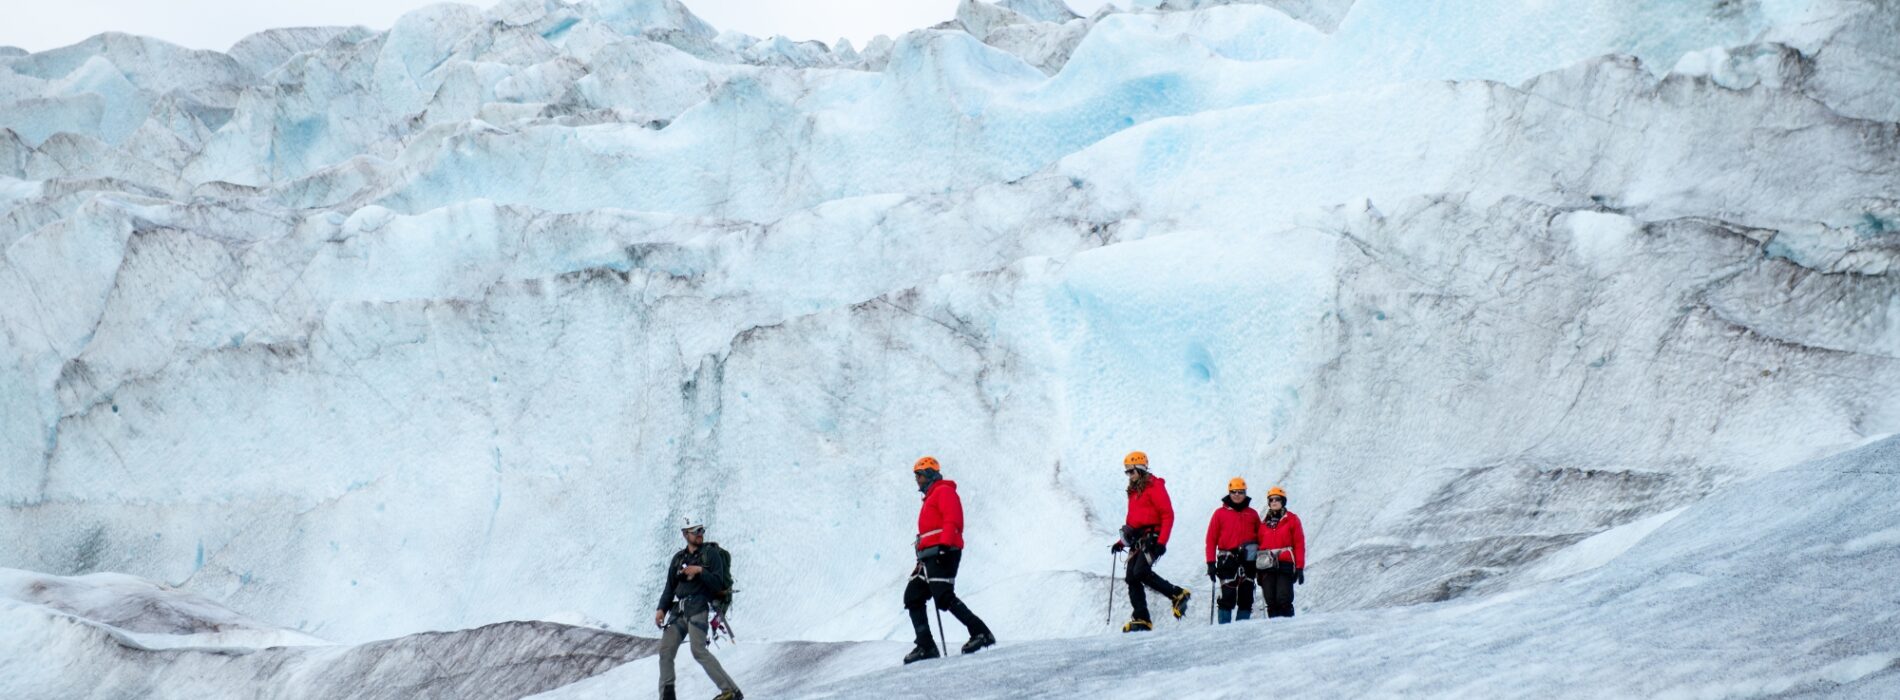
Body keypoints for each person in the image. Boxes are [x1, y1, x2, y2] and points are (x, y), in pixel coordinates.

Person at [903, 456, 997, 664]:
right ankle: (925, 645)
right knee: (913, 596)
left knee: (943, 596)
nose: (916, 480)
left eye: (919, 475)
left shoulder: (944, 491)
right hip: (929, 556)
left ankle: (981, 632)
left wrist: (945, 545)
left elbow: (953, 518)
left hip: (943, 552)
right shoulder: (931, 497)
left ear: (929, 474)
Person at [654, 520, 742, 700]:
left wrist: (700, 570)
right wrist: (661, 609)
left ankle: (730, 692)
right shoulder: (678, 559)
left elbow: (717, 583)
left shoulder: (711, 555)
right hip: (679, 612)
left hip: (699, 609)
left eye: (701, 529)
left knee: (698, 650)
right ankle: (667, 696)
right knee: (665, 650)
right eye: (696, 530)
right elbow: (670, 587)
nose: (700, 533)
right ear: (685, 534)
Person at [1110, 451, 1190, 632]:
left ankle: (1177, 594)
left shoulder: (1154, 487)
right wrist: (1121, 542)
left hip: (1152, 538)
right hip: (1138, 539)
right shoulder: (1133, 491)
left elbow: (1167, 515)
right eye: (1127, 472)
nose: (1129, 476)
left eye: (1131, 471)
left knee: (1139, 572)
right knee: (1131, 577)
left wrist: (1162, 542)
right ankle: (1142, 618)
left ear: (1140, 469)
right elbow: (1133, 522)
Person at [1204, 477, 1260, 624]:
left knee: (1246, 597)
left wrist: (1263, 559)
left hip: (1249, 559)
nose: (1237, 495)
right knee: (1227, 596)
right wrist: (1210, 563)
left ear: (1245, 493)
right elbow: (1211, 539)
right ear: (1229, 493)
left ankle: (1241, 632)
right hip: (1227, 559)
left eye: (1240, 492)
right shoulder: (1220, 513)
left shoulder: (1252, 514)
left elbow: (1261, 537)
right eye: (1233, 492)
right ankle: (1224, 631)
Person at [1255, 486, 1307, 618]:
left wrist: (1300, 567)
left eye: (1277, 499)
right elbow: (1259, 546)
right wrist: (1257, 570)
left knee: (1283, 599)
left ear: (1283, 501)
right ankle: (1274, 634)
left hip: (1285, 564)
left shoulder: (1292, 520)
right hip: (1267, 565)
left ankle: (1288, 632)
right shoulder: (1263, 524)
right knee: (1271, 601)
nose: (1274, 502)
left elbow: (1299, 544)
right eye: (1271, 499)